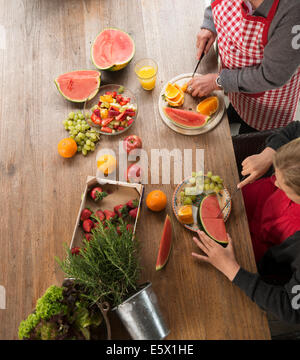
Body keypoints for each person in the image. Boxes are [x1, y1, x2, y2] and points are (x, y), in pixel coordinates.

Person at [191, 122, 300, 322]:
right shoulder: (279, 179)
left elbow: (292, 309)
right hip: (254, 201)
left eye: (282, 184)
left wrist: (230, 268)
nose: (274, 180)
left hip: (257, 256)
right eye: (275, 173)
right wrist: (269, 155)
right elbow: (296, 128)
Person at [187, 0, 300, 133]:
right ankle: (236, 112)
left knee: (249, 134)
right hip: (235, 83)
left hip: (266, 102)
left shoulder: (294, 13)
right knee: (236, 107)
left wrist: (218, 81)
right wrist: (210, 23)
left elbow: (272, 75)